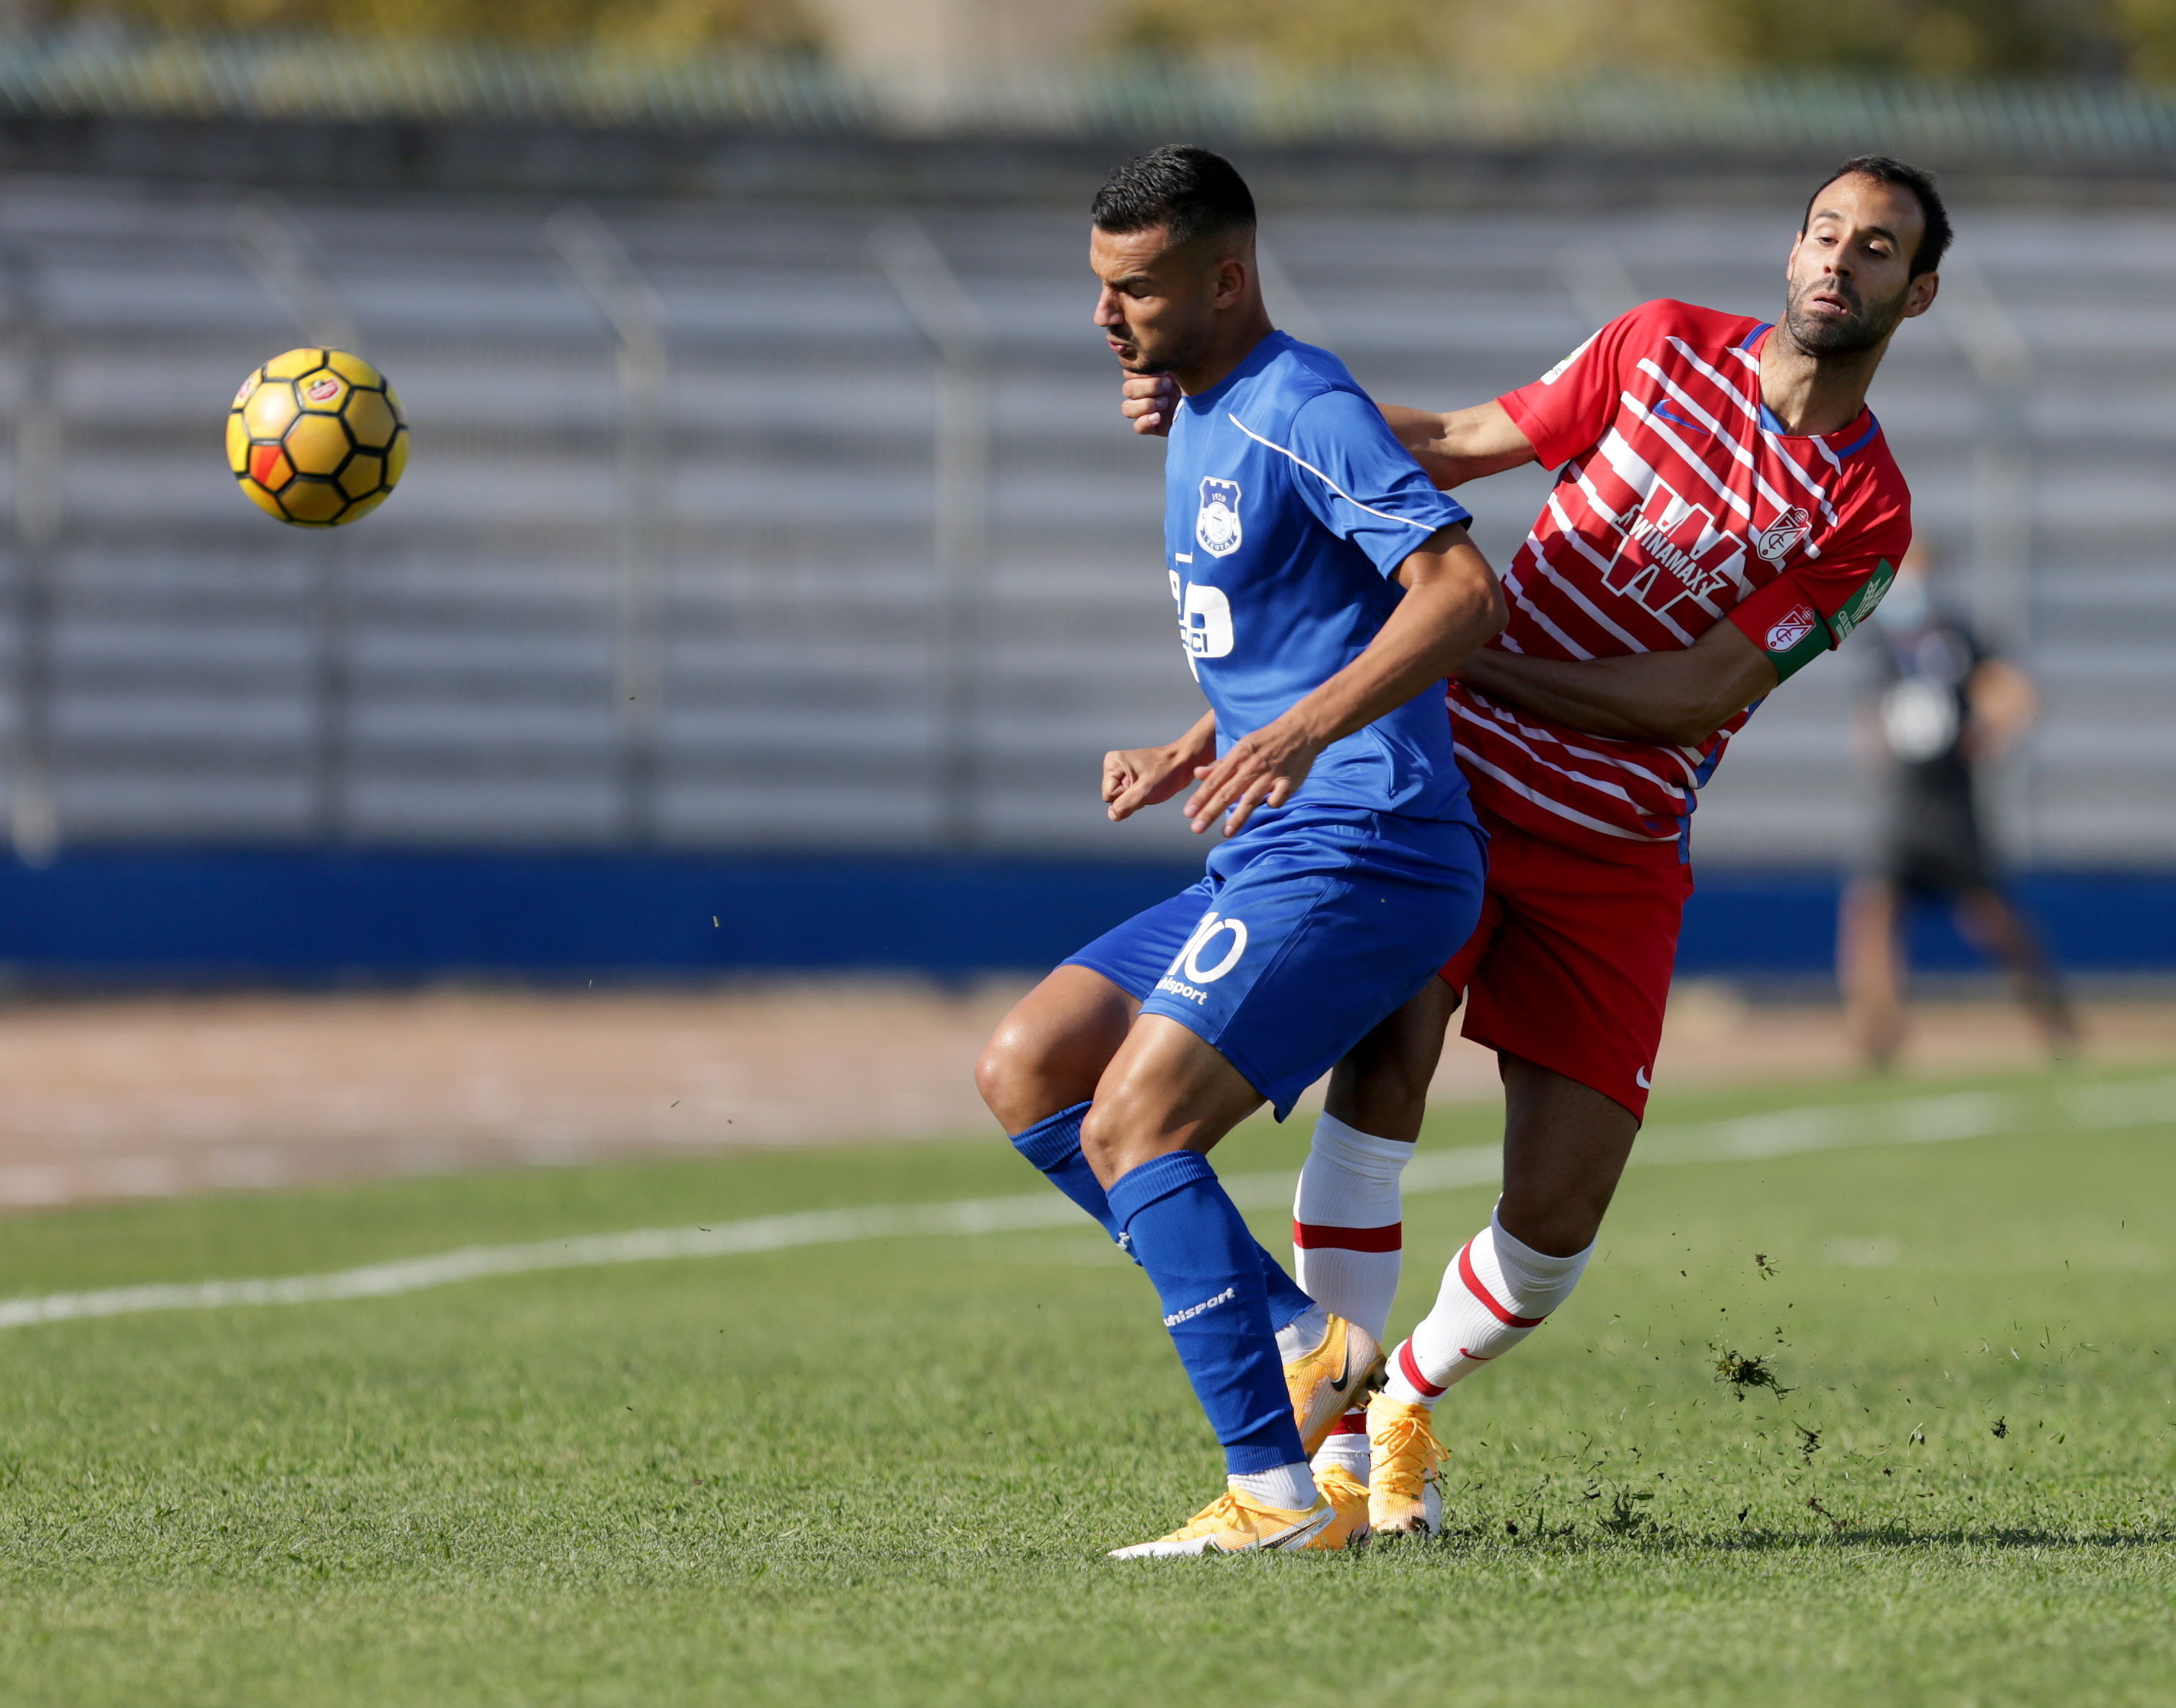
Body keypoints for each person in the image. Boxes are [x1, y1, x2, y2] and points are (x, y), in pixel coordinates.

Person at [1120, 152, 1942, 1535]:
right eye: (1822, 231)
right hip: (1451, 790)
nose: (1835, 261)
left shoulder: (1868, 516)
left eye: (1875, 250)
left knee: (1555, 1225)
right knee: (1383, 1069)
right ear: (1792, 244)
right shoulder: (1659, 344)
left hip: (1616, 846)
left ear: (1915, 296)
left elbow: (1692, 693)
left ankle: (1399, 1399)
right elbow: (1444, 442)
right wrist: (1230, 400)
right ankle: (1321, 1458)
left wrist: (1463, 641)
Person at [974, 144, 1506, 1557]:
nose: (1106, 320)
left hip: (1367, 845)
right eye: (1096, 289)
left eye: (1135, 291)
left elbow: (1460, 596)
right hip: (1274, 840)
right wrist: (1202, 739)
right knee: (1029, 1064)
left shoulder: (1298, 405)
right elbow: (1297, 630)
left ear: (1226, 278)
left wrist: (1290, 740)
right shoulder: (1198, 406)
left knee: (1135, 1125)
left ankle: (1273, 1494)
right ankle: (1291, 1333)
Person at [1838, 542, 2076, 1069]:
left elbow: (2011, 691)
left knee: (1988, 916)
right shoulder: (1878, 639)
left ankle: (2051, 1015)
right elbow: (1873, 710)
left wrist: (1989, 733)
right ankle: (1878, 1035)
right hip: (1899, 804)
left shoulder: (1955, 636)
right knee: (1873, 911)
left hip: (1950, 804)